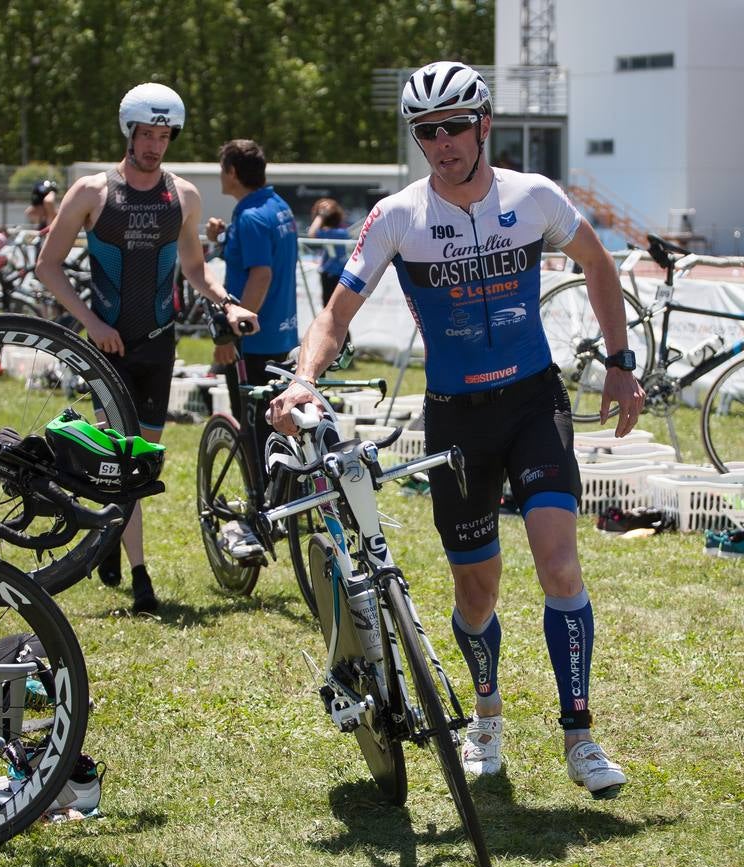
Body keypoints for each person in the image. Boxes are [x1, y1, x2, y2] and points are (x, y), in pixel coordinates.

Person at [269, 60, 645, 800]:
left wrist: (622, 362)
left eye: (452, 127)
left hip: (535, 403)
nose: (440, 143)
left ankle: (580, 734)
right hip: (455, 418)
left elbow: (600, 268)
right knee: (477, 595)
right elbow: (337, 314)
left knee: (560, 566)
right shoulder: (398, 216)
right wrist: (303, 379)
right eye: (424, 132)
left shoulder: (534, 197)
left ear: (484, 125)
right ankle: (487, 713)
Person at [36, 83, 257, 614]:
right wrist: (91, 323)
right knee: (117, 458)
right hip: (107, 347)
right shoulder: (92, 192)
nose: (156, 145)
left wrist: (230, 303)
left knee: (142, 464)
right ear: (128, 133)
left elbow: (195, 272)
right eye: (148, 135)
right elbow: (48, 266)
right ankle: (140, 578)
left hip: (158, 346)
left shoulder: (182, 196)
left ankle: (113, 539)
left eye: (165, 136)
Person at [205, 139, 299, 472]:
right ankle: (285, 505)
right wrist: (223, 237)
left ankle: (263, 515)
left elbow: (261, 275)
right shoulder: (277, 206)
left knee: (255, 432)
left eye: (221, 169)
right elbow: (259, 252)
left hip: (256, 343)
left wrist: (234, 334)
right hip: (284, 338)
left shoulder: (250, 216)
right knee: (285, 428)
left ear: (231, 171)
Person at [307, 197, 350, 306]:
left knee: (330, 306)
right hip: (336, 273)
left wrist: (321, 215)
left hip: (333, 274)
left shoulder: (336, 233)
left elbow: (312, 233)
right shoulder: (342, 232)